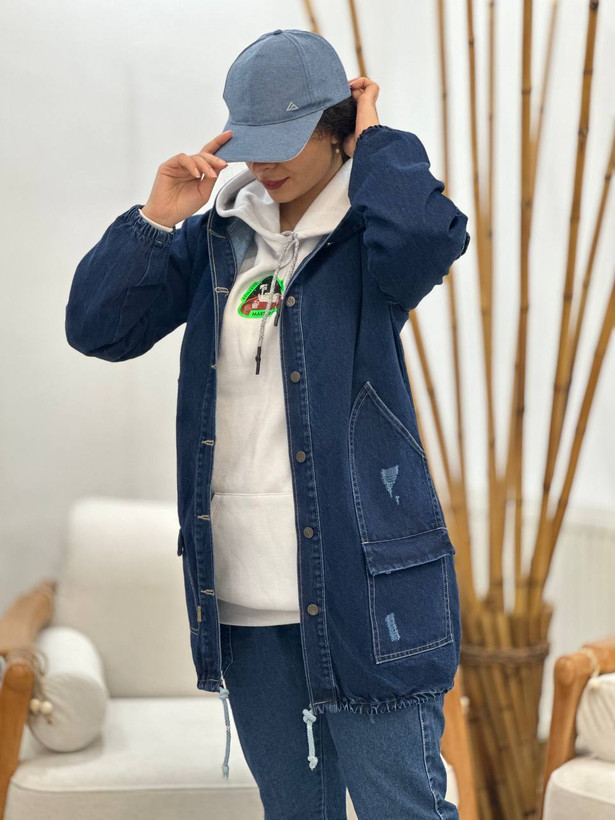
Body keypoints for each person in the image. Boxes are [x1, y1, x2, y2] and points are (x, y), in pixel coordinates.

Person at [66, 27, 470, 820]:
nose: (266, 164)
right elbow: (98, 329)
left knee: (404, 811)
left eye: (286, 141)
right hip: (245, 598)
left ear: (334, 128)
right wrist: (157, 218)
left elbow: (428, 238)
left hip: (368, 598)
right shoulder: (217, 240)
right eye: (252, 143)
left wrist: (377, 141)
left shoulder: (369, 239)